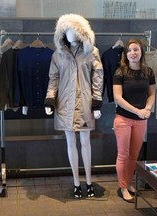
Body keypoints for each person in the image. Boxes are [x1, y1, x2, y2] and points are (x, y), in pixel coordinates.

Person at [44, 14, 103, 198]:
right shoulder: (58, 54)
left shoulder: (91, 52)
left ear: (80, 32)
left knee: (86, 143)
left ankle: (89, 182)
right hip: (65, 105)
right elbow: (53, 78)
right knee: (70, 143)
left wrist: (97, 101)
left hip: (85, 104)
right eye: (65, 30)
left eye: (73, 30)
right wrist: (50, 99)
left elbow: (97, 76)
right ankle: (77, 183)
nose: (69, 34)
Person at [113, 38, 155, 202]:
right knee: (123, 154)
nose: (133, 53)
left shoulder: (148, 72)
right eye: (129, 50)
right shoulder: (120, 72)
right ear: (126, 54)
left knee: (134, 155)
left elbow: (151, 94)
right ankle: (123, 187)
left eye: (136, 49)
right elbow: (118, 98)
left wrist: (147, 109)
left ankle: (129, 183)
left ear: (141, 52)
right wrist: (138, 111)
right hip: (123, 119)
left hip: (141, 120)